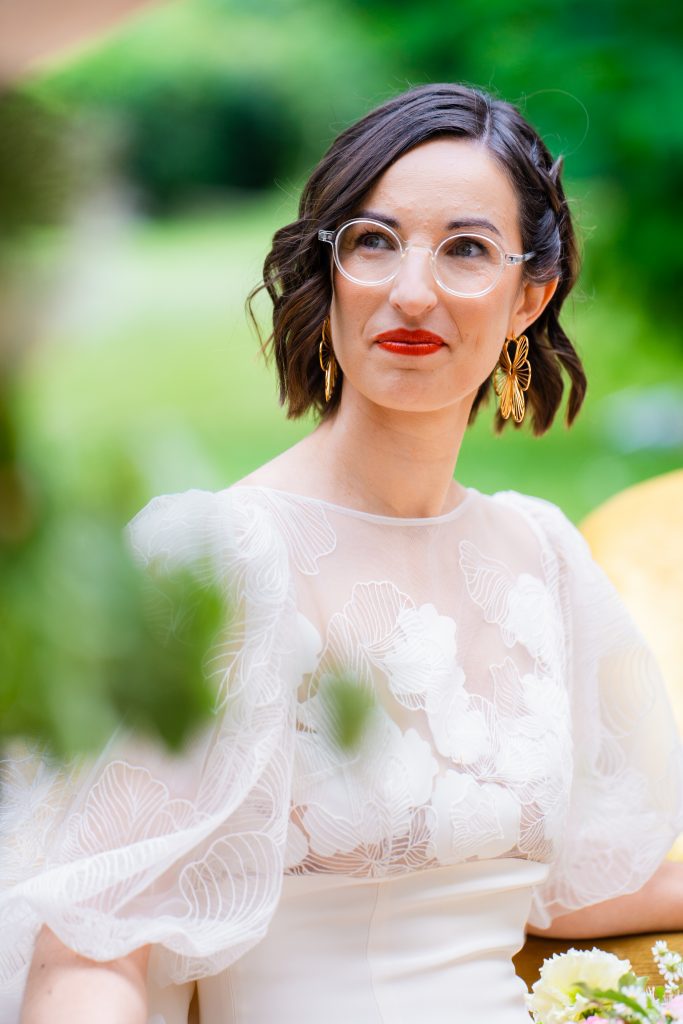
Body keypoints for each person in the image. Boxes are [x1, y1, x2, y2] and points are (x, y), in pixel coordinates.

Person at [4, 82, 683, 1024]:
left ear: (531, 295)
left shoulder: (540, 554)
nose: (412, 290)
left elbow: (580, 884)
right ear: (330, 270)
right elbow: (93, 944)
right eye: (373, 240)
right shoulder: (222, 556)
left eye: (466, 249)